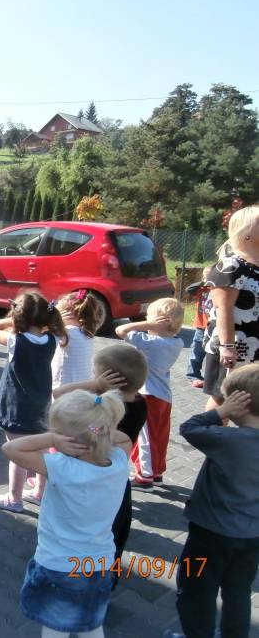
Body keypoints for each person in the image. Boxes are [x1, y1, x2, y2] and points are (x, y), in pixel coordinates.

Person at [5, 390, 132, 638]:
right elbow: (125, 439)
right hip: (100, 564)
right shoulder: (119, 462)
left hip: (58, 564)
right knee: (91, 624)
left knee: (54, 626)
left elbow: (11, 448)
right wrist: (99, 432)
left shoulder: (61, 467)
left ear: (68, 439)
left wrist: (52, 439)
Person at [164, 366, 259, 638]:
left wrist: (220, 412)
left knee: (197, 591)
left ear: (240, 403)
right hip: (251, 535)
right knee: (238, 592)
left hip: (210, 533)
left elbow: (189, 427)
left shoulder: (229, 439)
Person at [52, 343, 148, 589]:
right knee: (115, 535)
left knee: (87, 535)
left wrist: (95, 386)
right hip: (118, 481)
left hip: (92, 481)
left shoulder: (102, 417)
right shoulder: (141, 404)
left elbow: (59, 394)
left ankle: (79, 581)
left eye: (95, 373)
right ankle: (107, 582)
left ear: (109, 378)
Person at [0, 291, 67, 512]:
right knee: (42, 450)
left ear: (18, 315)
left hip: (17, 407)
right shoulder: (51, 340)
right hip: (41, 406)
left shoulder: (16, 341)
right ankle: (39, 493)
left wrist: (12, 320)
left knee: (17, 455)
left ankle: (14, 499)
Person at [115, 298, 185, 488]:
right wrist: (155, 325)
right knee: (159, 435)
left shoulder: (150, 343)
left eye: (150, 318)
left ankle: (145, 475)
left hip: (148, 395)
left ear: (159, 322)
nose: (147, 321)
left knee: (144, 436)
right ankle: (156, 472)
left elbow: (120, 330)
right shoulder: (177, 342)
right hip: (163, 395)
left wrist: (148, 325)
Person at [201, 205, 259, 408]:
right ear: (247, 232)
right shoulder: (231, 266)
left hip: (255, 346)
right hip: (234, 346)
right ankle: (211, 429)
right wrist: (227, 347)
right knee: (223, 398)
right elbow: (223, 309)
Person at [51, 289, 102, 389]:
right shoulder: (87, 333)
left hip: (63, 387)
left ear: (67, 316)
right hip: (82, 386)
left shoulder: (67, 332)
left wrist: (56, 322)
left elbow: (41, 332)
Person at [184, 266, 214, 388]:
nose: (207, 279)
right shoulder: (202, 289)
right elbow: (189, 289)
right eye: (204, 276)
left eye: (209, 276)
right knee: (197, 351)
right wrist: (204, 282)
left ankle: (212, 377)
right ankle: (193, 375)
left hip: (214, 326)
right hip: (201, 326)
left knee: (213, 352)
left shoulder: (219, 289)